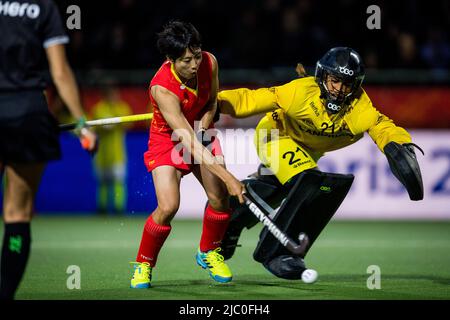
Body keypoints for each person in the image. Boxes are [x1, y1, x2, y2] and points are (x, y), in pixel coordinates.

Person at [216, 47, 423, 279]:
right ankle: (278, 252)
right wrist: (213, 103)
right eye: (335, 80)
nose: (339, 89)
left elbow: (383, 127)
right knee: (312, 185)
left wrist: (400, 145)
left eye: (347, 83)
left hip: (308, 150)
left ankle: (231, 216)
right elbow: (251, 99)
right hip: (275, 135)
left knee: (278, 188)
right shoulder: (300, 92)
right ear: (322, 76)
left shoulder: (359, 107)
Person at [130, 21, 245, 289]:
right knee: (169, 206)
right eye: (186, 61)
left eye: (196, 56)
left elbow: (212, 101)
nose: (194, 65)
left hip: (199, 129)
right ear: (170, 60)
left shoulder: (210, 62)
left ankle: (208, 251)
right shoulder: (162, 88)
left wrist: (205, 121)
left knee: (220, 200)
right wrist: (229, 177)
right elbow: (190, 144)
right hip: (167, 138)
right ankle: (144, 263)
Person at [0, 0, 97, 300]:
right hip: (26, 113)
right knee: (17, 214)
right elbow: (60, 71)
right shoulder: (43, 8)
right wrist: (82, 122)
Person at [91, 85, 132, 214]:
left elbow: (128, 124)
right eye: (110, 93)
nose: (113, 96)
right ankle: (102, 208)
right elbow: (94, 128)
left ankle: (119, 208)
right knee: (102, 182)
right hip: (101, 154)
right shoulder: (98, 109)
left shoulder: (122, 107)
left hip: (118, 154)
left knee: (119, 181)